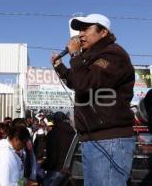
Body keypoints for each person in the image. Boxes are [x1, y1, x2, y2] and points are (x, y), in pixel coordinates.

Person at [52, 14, 135, 186]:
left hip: (110, 140)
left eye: (86, 29)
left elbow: (85, 83)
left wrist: (75, 56)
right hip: (94, 139)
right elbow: (78, 82)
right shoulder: (90, 57)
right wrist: (60, 67)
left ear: (103, 32)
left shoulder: (113, 54)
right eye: (79, 30)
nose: (80, 34)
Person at [42, 111, 75, 186]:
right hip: (70, 169)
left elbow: (52, 157)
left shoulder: (53, 133)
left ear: (55, 121)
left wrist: (43, 166)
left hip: (57, 169)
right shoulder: (72, 132)